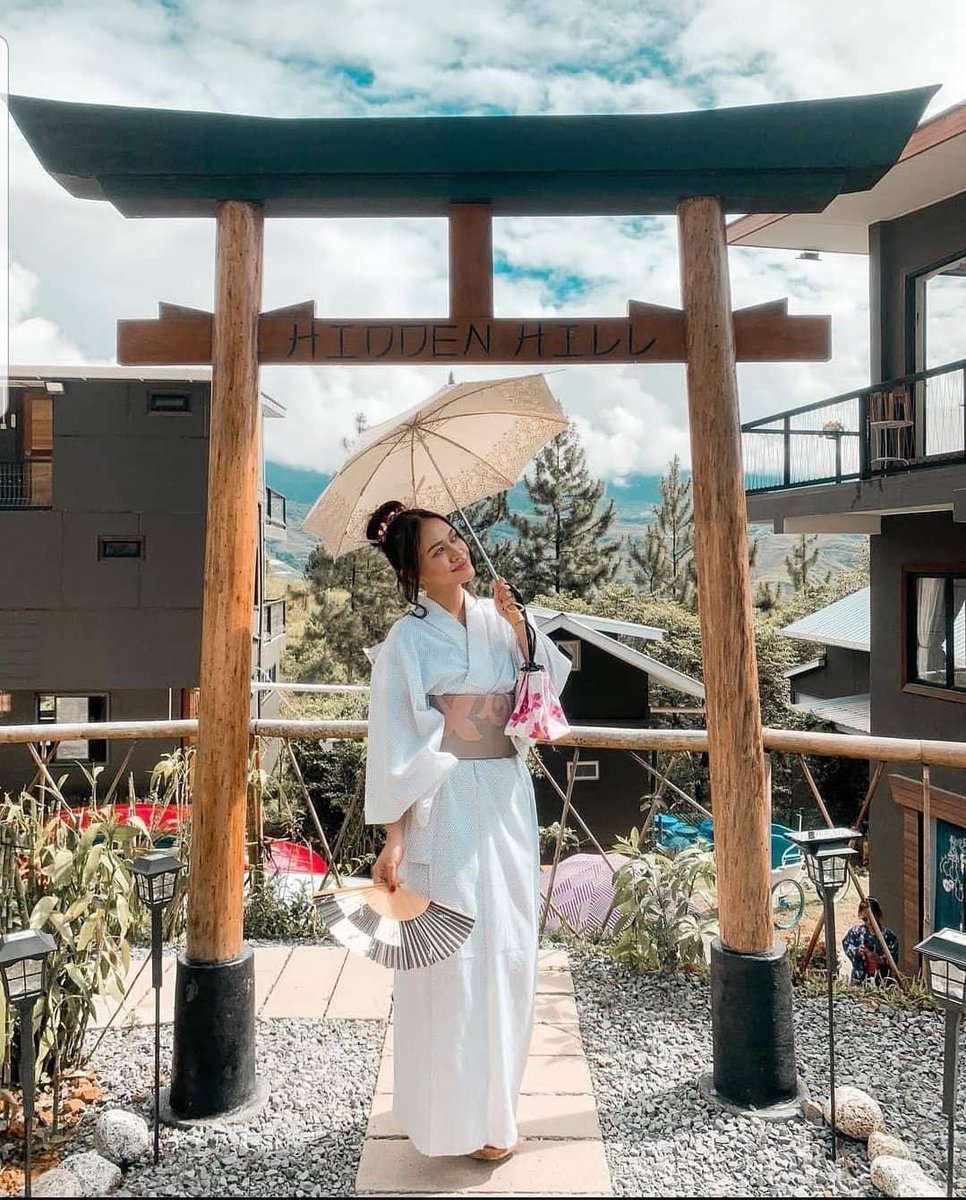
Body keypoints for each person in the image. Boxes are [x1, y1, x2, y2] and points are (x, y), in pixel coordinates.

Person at [363, 499, 571, 1161]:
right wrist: (394, 837)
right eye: (437, 551)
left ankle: (495, 1116)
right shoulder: (407, 643)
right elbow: (395, 744)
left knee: (510, 950)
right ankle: (447, 1117)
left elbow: (542, 695)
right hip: (445, 802)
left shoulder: (496, 620)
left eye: (455, 540)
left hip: (505, 795)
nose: (456, 554)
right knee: (451, 959)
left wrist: (523, 630)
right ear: (414, 575)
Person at [841, 896, 900, 985]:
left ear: (878, 915)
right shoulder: (856, 932)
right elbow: (847, 945)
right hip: (859, 982)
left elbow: (893, 961)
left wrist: (878, 959)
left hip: (882, 983)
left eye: (872, 919)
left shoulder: (889, 937)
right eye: (865, 919)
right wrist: (857, 951)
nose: (869, 922)